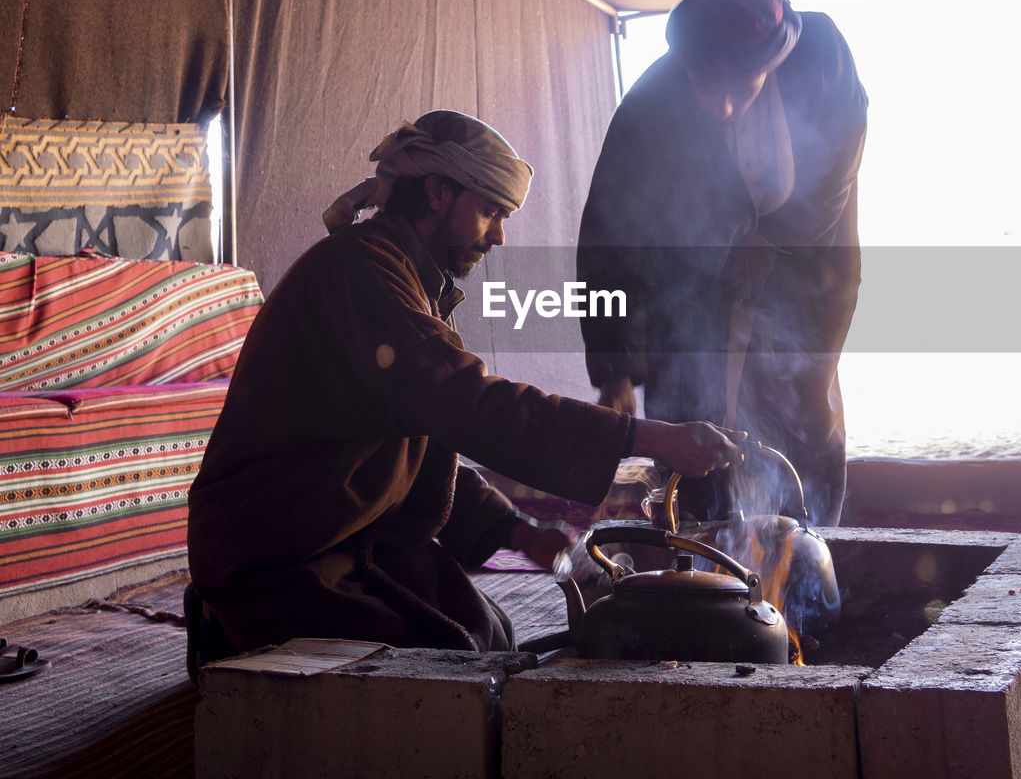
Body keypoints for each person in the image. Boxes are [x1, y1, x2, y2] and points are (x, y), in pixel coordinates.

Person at [185, 110, 744, 660]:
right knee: (443, 665)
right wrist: (649, 436)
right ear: (436, 193)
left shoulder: (410, 279)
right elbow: (472, 404)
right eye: (491, 212)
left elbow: (426, 437)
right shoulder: (360, 272)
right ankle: (222, 622)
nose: (499, 236)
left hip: (347, 540)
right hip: (276, 554)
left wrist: (518, 532)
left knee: (489, 632)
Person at [576, 0, 868, 526]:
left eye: (744, 86)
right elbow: (606, 242)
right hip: (690, 278)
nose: (727, 107)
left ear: (773, 63)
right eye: (707, 86)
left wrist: (764, 249)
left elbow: (831, 188)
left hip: (805, 264)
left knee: (803, 401)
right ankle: (704, 552)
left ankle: (810, 544)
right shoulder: (649, 109)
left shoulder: (824, 62)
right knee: (693, 425)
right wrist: (613, 368)